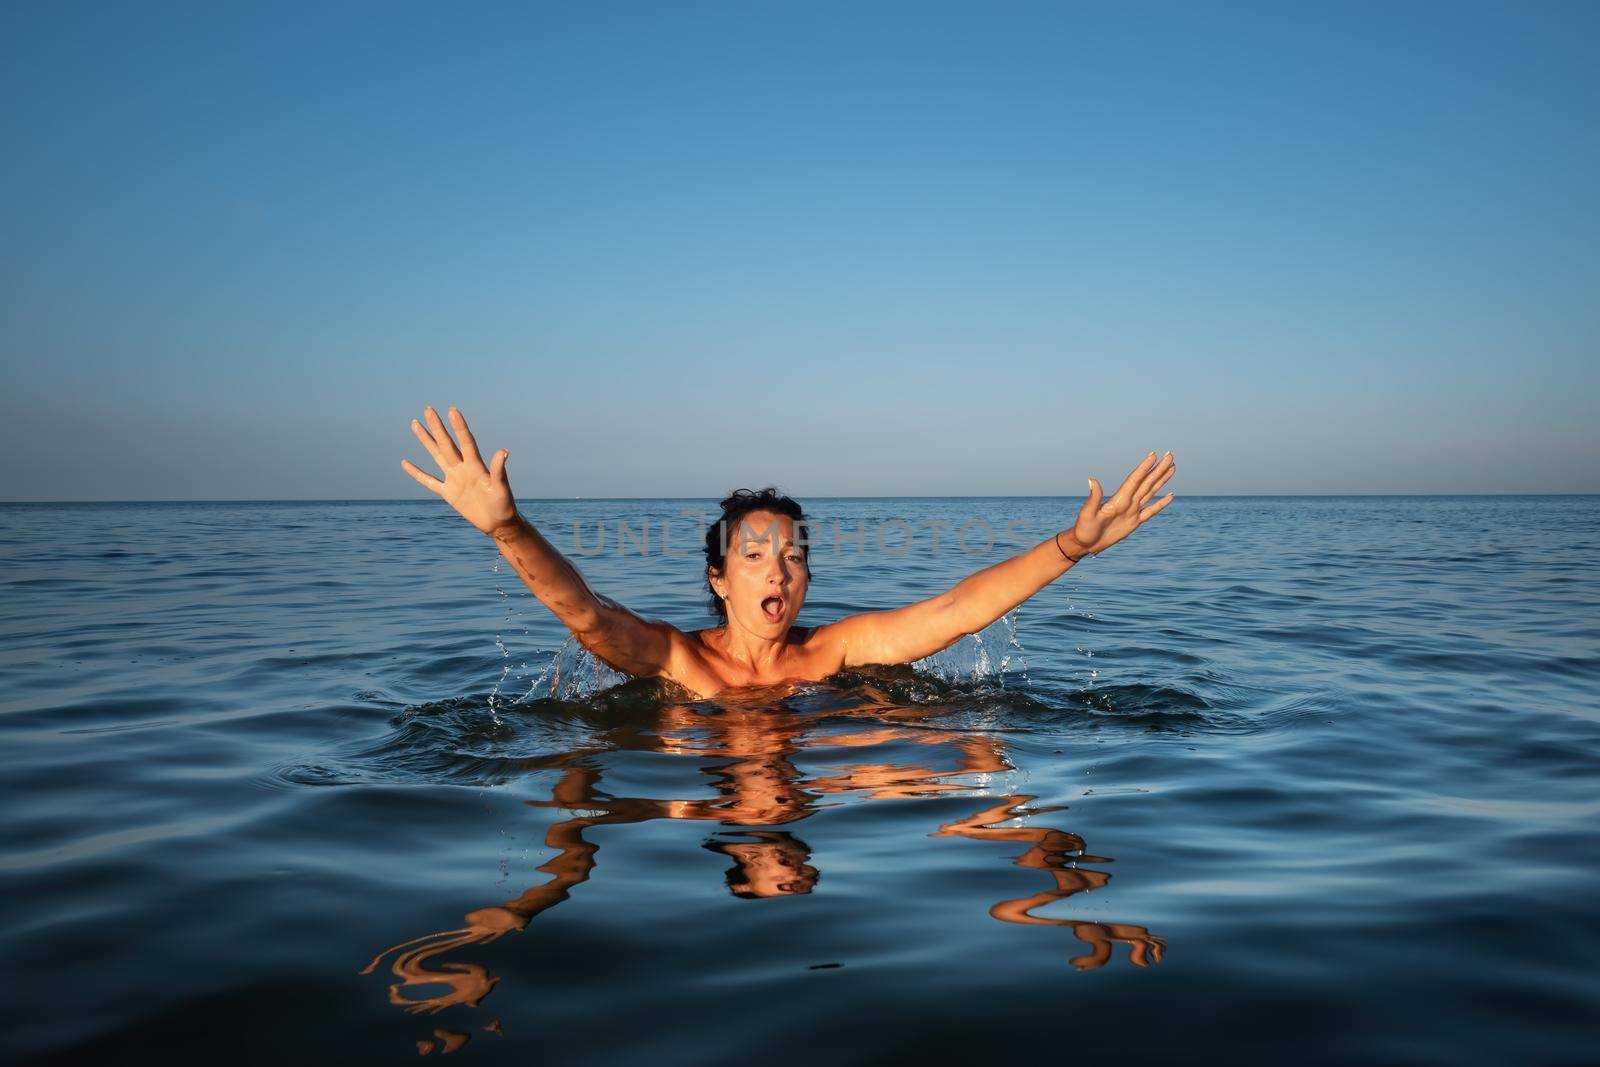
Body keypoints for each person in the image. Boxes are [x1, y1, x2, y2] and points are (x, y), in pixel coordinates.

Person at [401, 406, 1175, 700]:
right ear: (719, 579)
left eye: (794, 555)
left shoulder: (831, 655)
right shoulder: (680, 661)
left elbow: (953, 611)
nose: (779, 568)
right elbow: (587, 616)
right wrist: (507, 528)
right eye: (756, 555)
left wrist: (1073, 545)